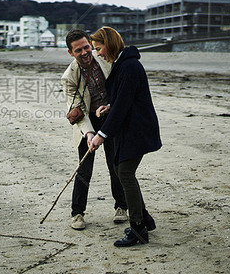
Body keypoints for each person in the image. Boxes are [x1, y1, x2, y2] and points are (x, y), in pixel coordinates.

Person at [89, 26, 161, 247]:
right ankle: (144, 219)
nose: (98, 53)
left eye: (98, 48)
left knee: (125, 173)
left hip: (137, 129)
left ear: (109, 44)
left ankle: (138, 228)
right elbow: (122, 100)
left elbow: (124, 105)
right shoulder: (123, 64)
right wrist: (108, 107)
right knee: (123, 172)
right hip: (131, 128)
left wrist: (101, 134)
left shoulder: (129, 66)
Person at [61, 29, 128, 231]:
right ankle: (77, 213)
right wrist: (90, 134)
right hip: (87, 122)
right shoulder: (69, 77)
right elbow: (77, 110)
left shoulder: (105, 60)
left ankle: (121, 207)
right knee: (84, 170)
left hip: (111, 118)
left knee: (115, 165)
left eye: (86, 47)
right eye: (78, 50)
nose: (85, 52)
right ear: (70, 53)